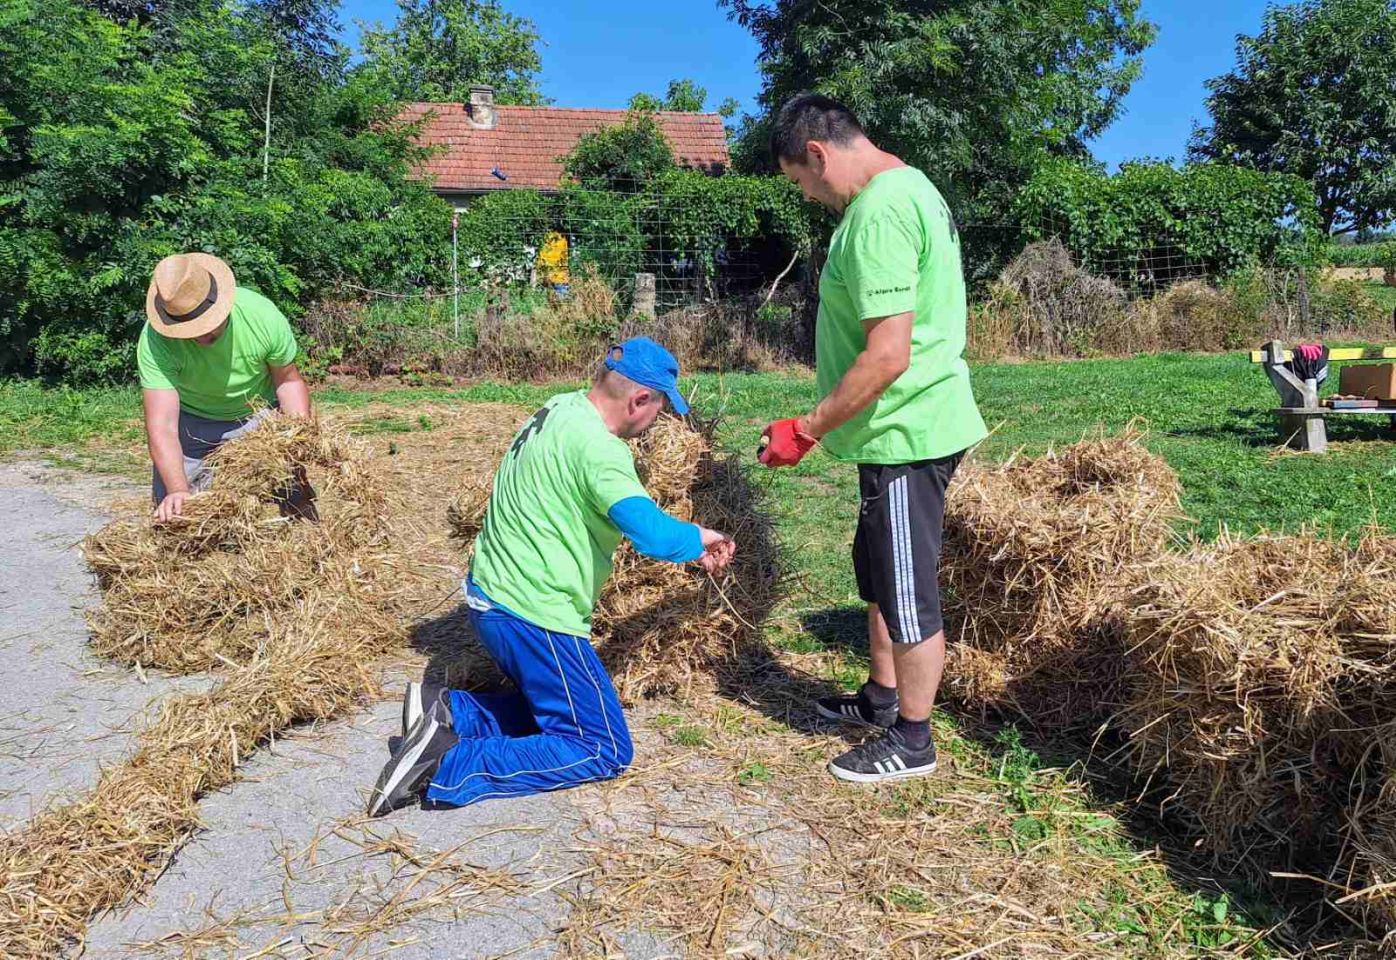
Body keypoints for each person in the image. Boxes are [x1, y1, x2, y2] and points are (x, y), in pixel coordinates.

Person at [367, 337, 735, 816]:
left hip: (491, 596)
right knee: (600, 745)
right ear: (639, 399)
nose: (656, 422)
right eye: (660, 407)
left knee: (565, 708)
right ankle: (445, 764)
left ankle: (448, 713)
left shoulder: (558, 408)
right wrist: (700, 537)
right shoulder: (601, 451)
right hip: (535, 613)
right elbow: (650, 534)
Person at [758, 94, 988, 783]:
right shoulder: (912, 186)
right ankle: (881, 700)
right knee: (880, 572)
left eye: (802, 181)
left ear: (820, 155)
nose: (810, 195)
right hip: (889, 432)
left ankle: (912, 741)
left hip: (905, 433)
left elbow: (889, 355)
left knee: (908, 590)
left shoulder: (880, 211)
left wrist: (804, 430)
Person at [137, 253, 316, 521]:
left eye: (207, 325)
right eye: (188, 329)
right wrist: (177, 489)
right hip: (192, 424)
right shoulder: (155, 340)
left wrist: (296, 439)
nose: (200, 336)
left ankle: (301, 519)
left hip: (258, 417)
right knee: (175, 519)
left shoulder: (261, 316)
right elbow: (161, 424)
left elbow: (288, 382)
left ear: (223, 304)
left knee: (294, 497)